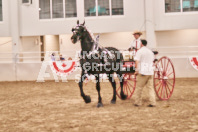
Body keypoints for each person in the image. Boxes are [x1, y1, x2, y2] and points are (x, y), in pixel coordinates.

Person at [134, 39, 156, 107]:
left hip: (143, 72)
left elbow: (137, 61)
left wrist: (136, 70)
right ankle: (152, 102)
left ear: (141, 44)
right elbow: (153, 60)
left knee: (139, 88)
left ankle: (138, 102)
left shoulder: (140, 51)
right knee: (150, 88)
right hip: (150, 72)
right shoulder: (150, 52)